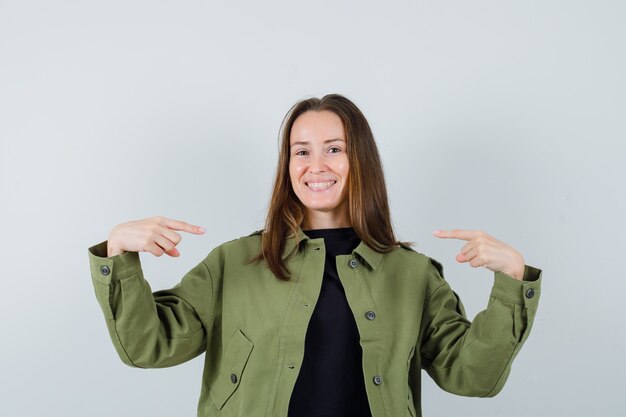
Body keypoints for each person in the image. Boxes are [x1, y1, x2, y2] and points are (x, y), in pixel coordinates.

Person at [87, 93, 542, 417]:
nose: (316, 165)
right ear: (288, 166)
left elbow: (471, 376)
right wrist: (119, 257)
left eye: (335, 149)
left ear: (359, 159)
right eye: (301, 151)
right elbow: (149, 347)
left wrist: (511, 284)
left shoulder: (413, 274)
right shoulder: (233, 263)